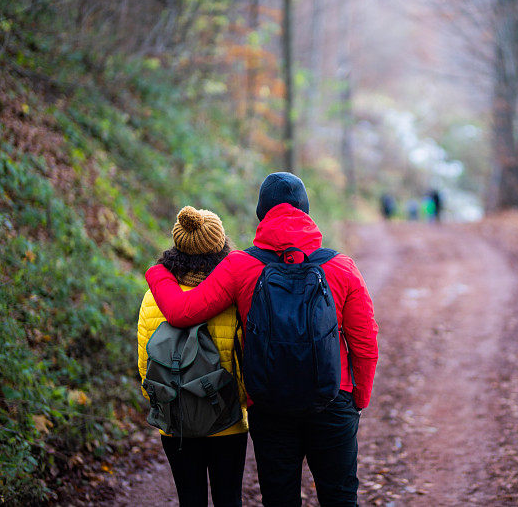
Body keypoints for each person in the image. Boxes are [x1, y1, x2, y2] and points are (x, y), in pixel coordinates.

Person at [144, 172, 379, 507]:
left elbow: (182, 312)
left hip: (270, 405)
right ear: (307, 212)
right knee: (340, 497)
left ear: (260, 213)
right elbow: (365, 343)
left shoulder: (241, 265)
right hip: (332, 400)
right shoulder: (342, 267)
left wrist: (156, 272)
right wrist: (359, 399)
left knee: (280, 499)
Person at [137, 206, 248, 507]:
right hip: (228, 420)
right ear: (221, 244)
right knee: (229, 499)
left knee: (190, 499)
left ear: (177, 248)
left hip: (177, 419)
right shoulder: (233, 295)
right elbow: (245, 359)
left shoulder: (153, 297)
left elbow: (145, 364)